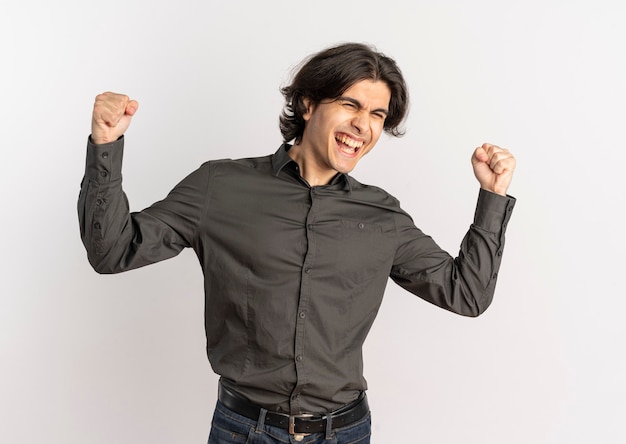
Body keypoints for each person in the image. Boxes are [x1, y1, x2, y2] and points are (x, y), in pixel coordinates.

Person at [78, 42, 516, 443]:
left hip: (345, 431)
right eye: (350, 105)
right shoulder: (220, 187)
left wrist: (492, 197)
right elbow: (113, 250)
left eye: (377, 115)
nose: (362, 126)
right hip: (243, 430)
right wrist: (106, 143)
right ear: (308, 104)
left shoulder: (383, 216)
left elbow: (467, 294)